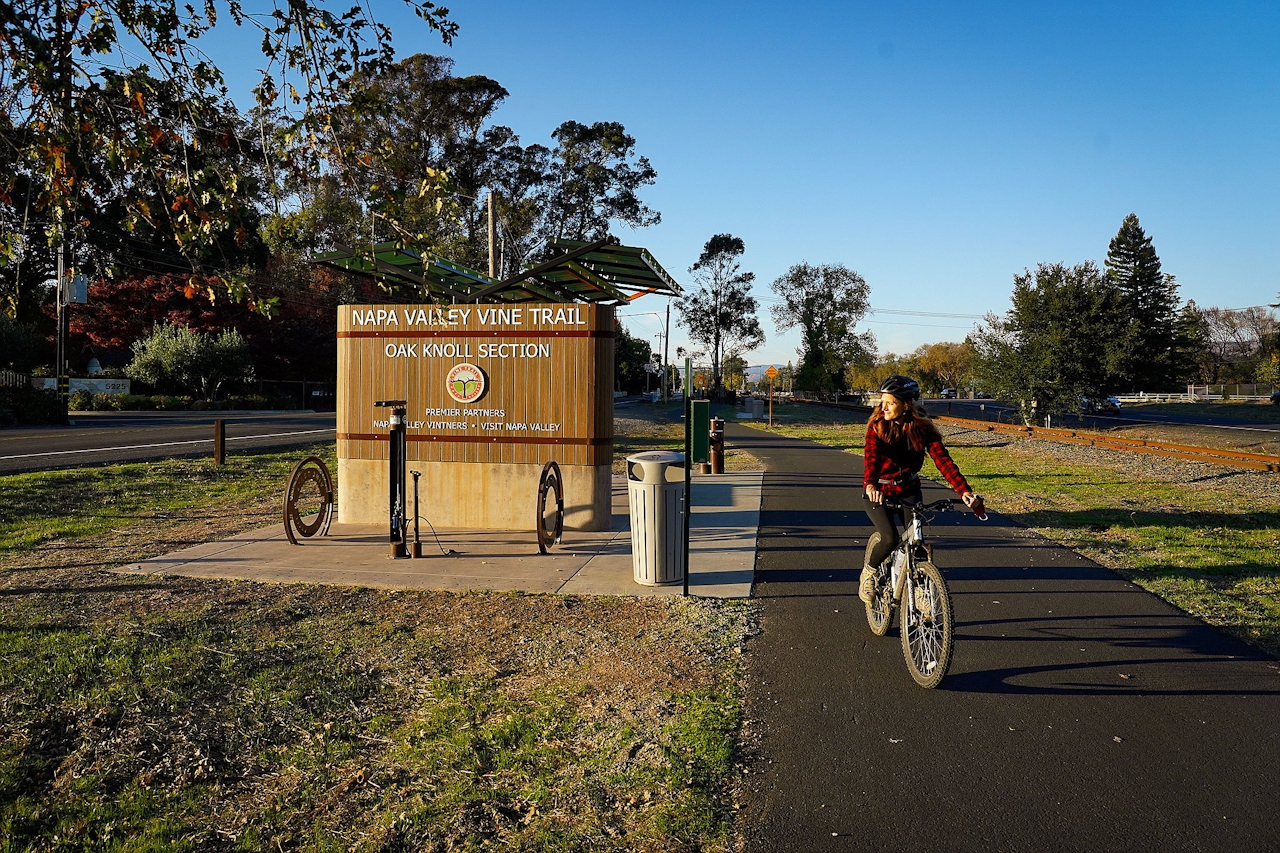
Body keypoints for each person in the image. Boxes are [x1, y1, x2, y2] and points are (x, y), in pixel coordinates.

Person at [859, 375, 985, 603]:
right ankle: (868, 573)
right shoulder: (876, 427)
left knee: (916, 542)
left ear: (905, 404)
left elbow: (943, 461)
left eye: (890, 402)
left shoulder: (921, 427)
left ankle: (919, 592)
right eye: (882, 401)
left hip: (909, 490)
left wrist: (964, 491)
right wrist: (871, 485)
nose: (883, 407)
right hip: (880, 492)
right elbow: (871, 460)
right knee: (889, 538)